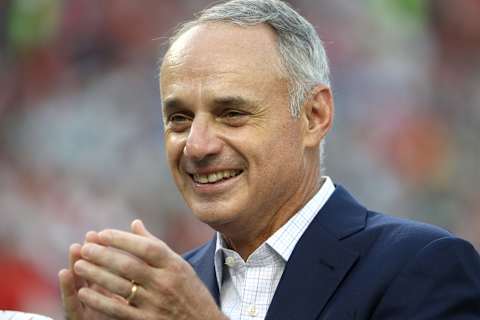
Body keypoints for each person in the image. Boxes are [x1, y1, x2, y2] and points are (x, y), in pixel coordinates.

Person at [58, 0, 480, 319]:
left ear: (314, 116)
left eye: (232, 113)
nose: (197, 146)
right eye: (179, 118)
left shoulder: (423, 265)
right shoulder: (162, 291)